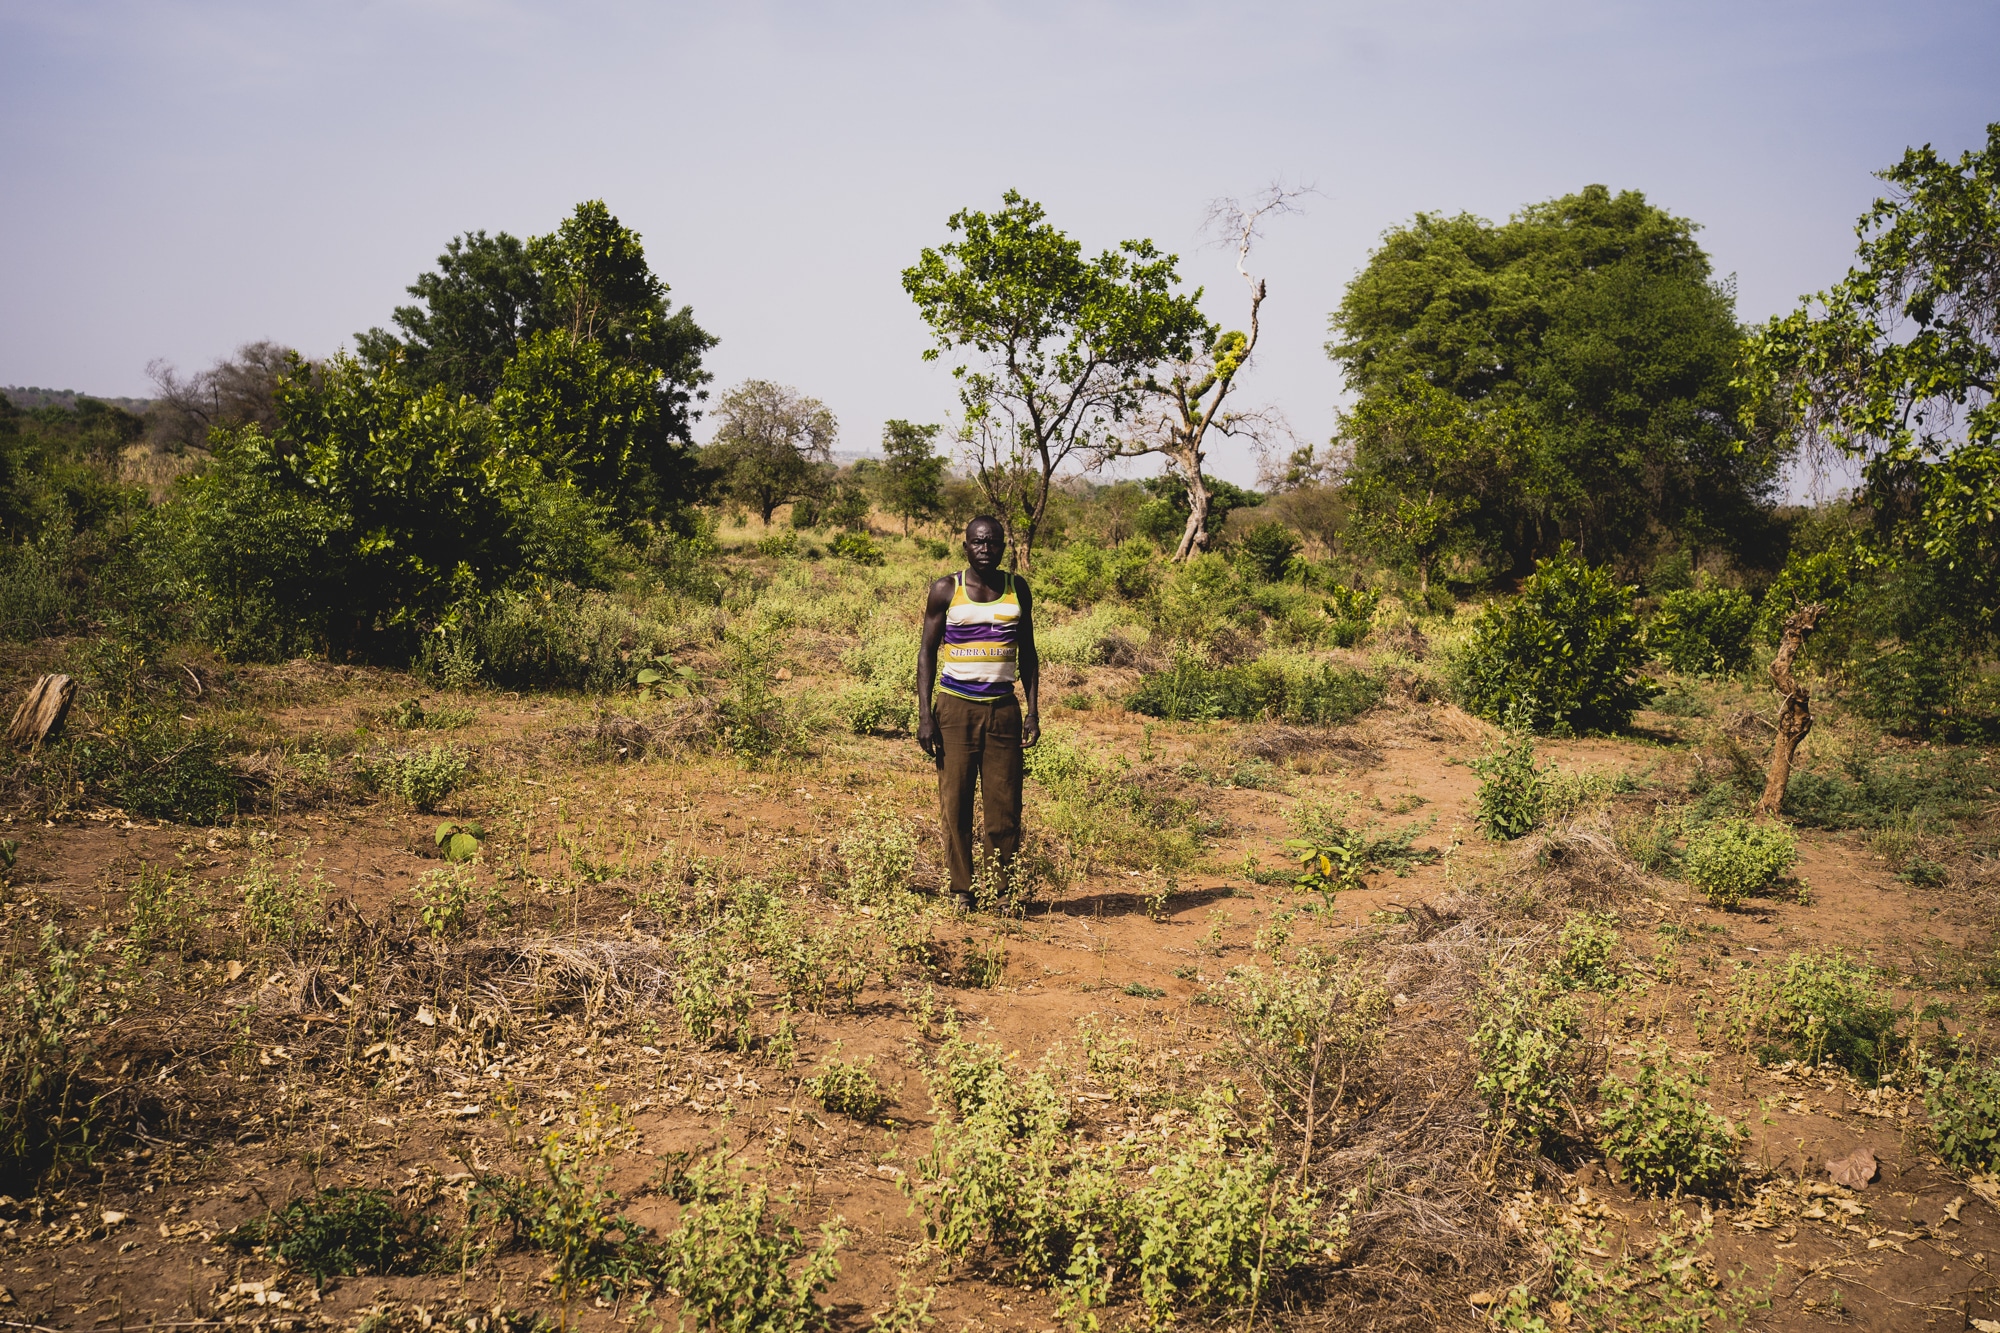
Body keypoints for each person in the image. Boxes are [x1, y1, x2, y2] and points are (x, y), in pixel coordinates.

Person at [916, 516, 1039, 907]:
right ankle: (961, 889)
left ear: (1004, 547)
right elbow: (926, 653)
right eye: (978, 543)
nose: (985, 550)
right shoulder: (945, 589)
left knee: (1005, 805)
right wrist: (925, 715)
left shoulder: (1016, 588)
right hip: (954, 709)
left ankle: (1003, 893)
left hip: (1003, 709)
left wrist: (1033, 710)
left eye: (993, 543)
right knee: (956, 803)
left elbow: (1030, 654)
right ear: (965, 546)